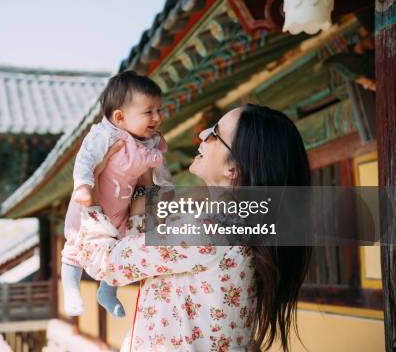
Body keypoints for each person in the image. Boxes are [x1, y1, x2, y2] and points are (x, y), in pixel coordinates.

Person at [75, 104, 312, 351]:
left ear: (233, 169)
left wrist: (88, 195)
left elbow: (106, 262)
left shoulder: (207, 229)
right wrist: (146, 191)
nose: (201, 136)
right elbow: (153, 255)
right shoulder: (242, 225)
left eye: (214, 134)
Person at [61, 71, 174, 318]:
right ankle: (70, 288)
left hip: (122, 208)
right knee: (75, 245)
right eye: (149, 112)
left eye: (158, 110)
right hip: (91, 201)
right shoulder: (104, 136)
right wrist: (82, 185)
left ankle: (107, 292)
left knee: (121, 246)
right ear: (120, 117)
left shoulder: (150, 142)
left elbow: (159, 172)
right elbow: (86, 160)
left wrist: (164, 191)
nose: (157, 117)